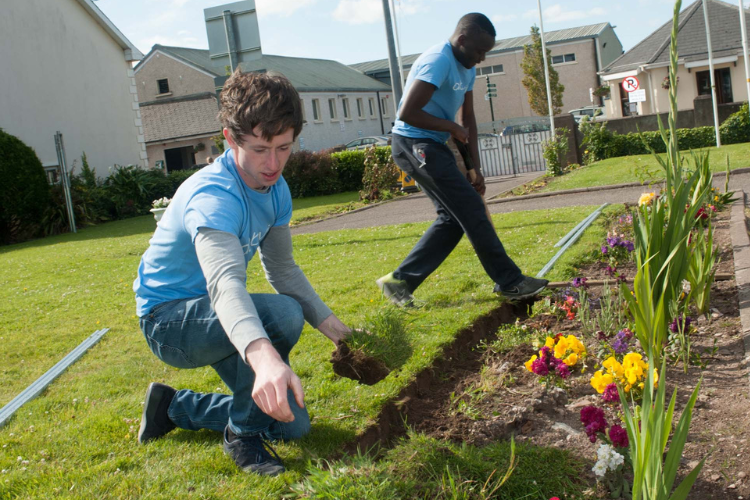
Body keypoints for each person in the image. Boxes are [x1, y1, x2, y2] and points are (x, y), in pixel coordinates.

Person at [133, 68, 351, 476]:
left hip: (216, 316)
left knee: (292, 424)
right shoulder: (214, 196)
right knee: (283, 314)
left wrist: (339, 333)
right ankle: (242, 437)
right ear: (231, 139)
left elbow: (283, 269)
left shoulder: (277, 189)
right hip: (169, 321)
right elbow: (225, 285)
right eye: (260, 149)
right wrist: (265, 358)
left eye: (284, 148)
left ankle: (172, 406)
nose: (273, 164)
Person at [376, 13, 548, 307]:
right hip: (413, 143)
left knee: (454, 219)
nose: (482, 58)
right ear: (462, 40)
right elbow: (407, 112)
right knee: (469, 208)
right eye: (479, 51)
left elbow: (468, 121)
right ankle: (510, 281)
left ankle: (399, 282)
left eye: (486, 52)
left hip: (433, 144)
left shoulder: (466, 68)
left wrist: (475, 169)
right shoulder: (438, 61)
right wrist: (451, 127)